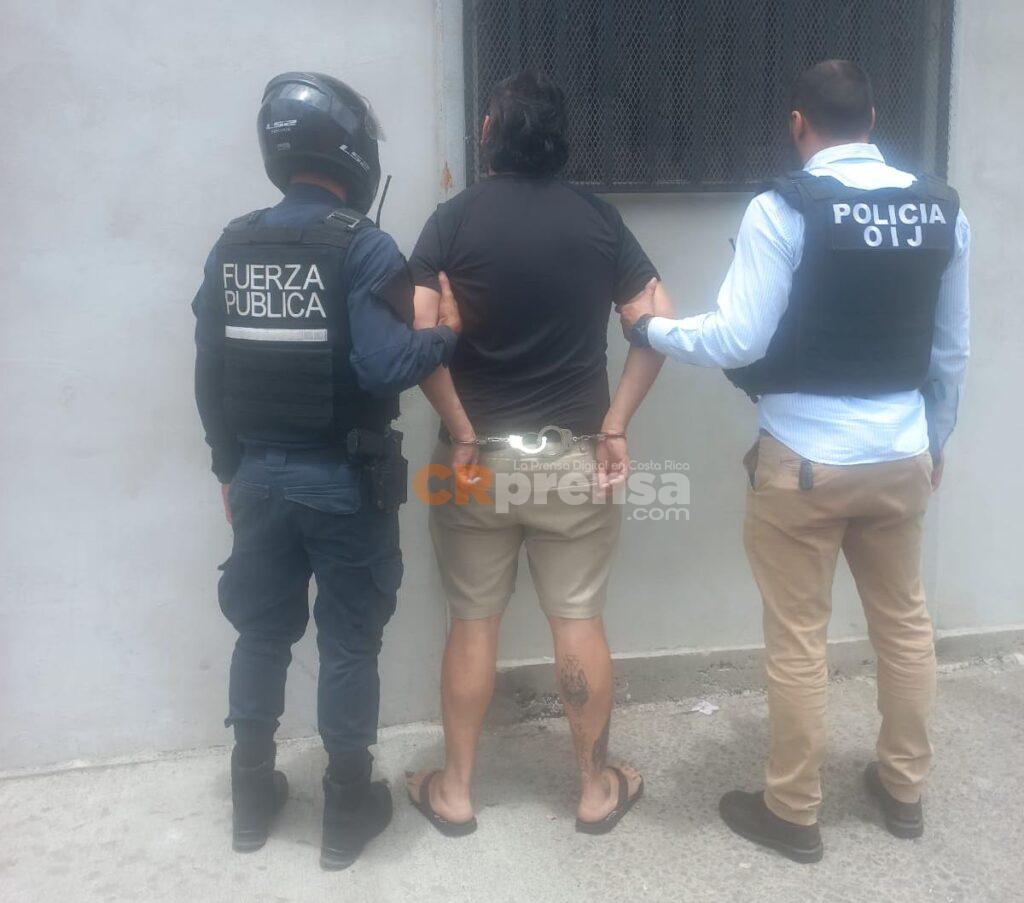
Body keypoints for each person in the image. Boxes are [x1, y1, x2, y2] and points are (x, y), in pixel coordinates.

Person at [621, 60, 969, 863]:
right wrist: (936, 438)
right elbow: (950, 349)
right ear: (873, 120)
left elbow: (740, 338)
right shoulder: (941, 208)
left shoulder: (784, 207)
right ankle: (903, 790)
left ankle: (793, 809)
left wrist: (651, 330)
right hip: (901, 453)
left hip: (804, 463)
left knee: (799, 639)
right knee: (905, 625)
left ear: (798, 124)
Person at [192, 71, 461, 869]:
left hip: (258, 480)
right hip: (343, 484)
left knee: (261, 633)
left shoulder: (233, 243)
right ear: (354, 152)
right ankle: (346, 813)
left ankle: (251, 798)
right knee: (347, 645)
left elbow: (209, 372)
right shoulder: (364, 244)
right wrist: (443, 333)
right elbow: (384, 366)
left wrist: (227, 467)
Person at [403, 70, 670, 836]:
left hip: (473, 462)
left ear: (489, 132)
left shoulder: (451, 222)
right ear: (559, 140)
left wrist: (459, 427)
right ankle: (595, 789)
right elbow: (657, 322)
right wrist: (615, 423)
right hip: (574, 459)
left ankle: (455, 791)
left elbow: (420, 339)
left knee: (472, 623)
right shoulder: (599, 221)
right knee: (577, 619)